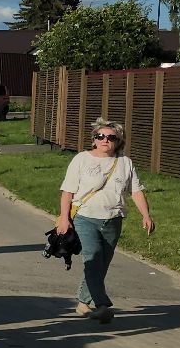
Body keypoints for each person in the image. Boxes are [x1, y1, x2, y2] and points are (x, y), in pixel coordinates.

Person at [55, 118, 153, 325]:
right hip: (85, 218)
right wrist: (64, 218)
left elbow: (135, 191)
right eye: (100, 136)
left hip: (113, 220)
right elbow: (67, 192)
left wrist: (146, 215)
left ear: (119, 141)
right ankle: (102, 305)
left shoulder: (125, 163)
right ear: (94, 140)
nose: (105, 140)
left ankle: (83, 302)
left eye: (110, 137)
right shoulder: (81, 160)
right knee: (93, 257)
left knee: (101, 264)